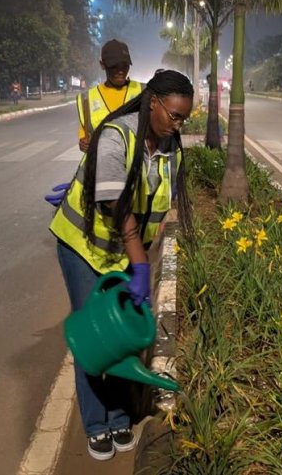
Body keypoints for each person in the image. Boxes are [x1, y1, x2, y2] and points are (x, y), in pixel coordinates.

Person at [48, 70, 194, 461]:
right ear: (153, 103)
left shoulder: (170, 149)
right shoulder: (117, 135)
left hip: (124, 254)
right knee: (94, 336)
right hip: (82, 246)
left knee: (122, 337)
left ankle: (117, 416)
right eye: (174, 116)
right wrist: (140, 263)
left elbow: (158, 208)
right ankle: (96, 423)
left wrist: (143, 259)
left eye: (184, 119)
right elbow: (116, 203)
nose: (178, 126)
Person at [44, 39, 143, 206]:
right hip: (102, 179)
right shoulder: (86, 100)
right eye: (114, 66)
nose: (120, 70)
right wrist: (84, 144)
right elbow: (85, 139)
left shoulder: (143, 92)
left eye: (125, 65)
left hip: (138, 178)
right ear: (102, 65)